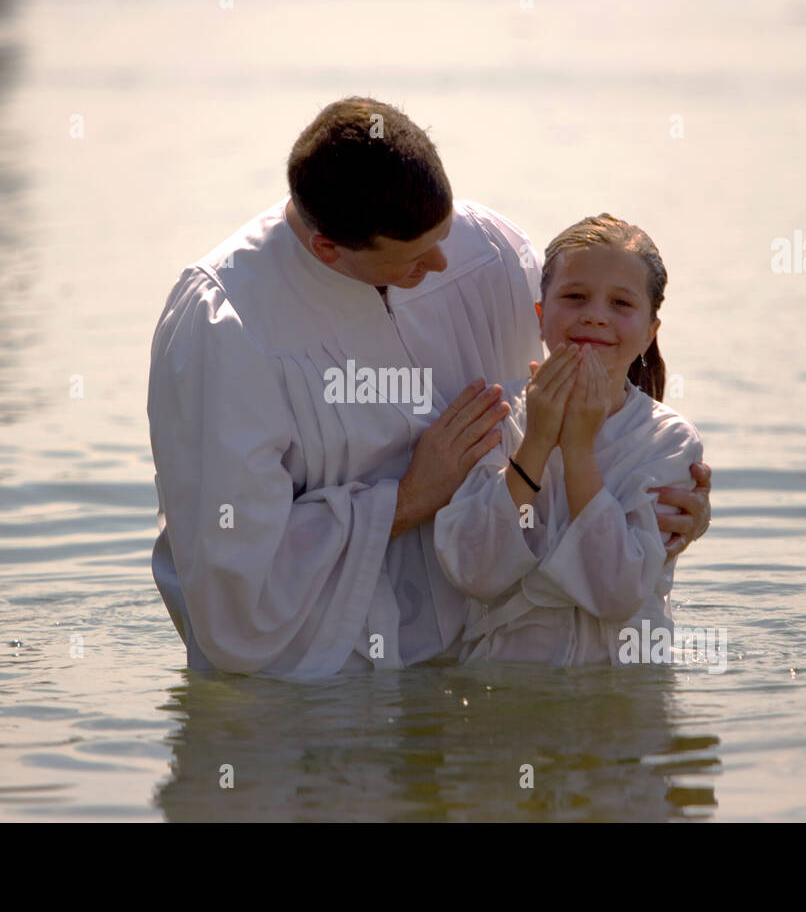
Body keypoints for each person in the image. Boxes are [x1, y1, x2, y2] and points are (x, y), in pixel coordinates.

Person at [147, 97, 712, 677]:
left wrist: (659, 509)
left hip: (479, 671)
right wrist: (409, 498)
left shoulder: (486, 250)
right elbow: (232, 584)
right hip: (336, 686)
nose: (443, 262)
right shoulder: (225, 326)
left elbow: (595, 374)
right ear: (327, 249)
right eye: (415, 258)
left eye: (444, 234)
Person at [434, 214, 703, 666]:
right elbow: (474, 571)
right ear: (541, 318)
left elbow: (616, 592)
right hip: (504, 688)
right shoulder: (496, 416)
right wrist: (537, 441)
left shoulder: (669, 440)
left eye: (621, 303)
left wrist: (577, 450)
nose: (595, 315)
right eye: (574, 297)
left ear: (649, 333)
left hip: (622, 701)